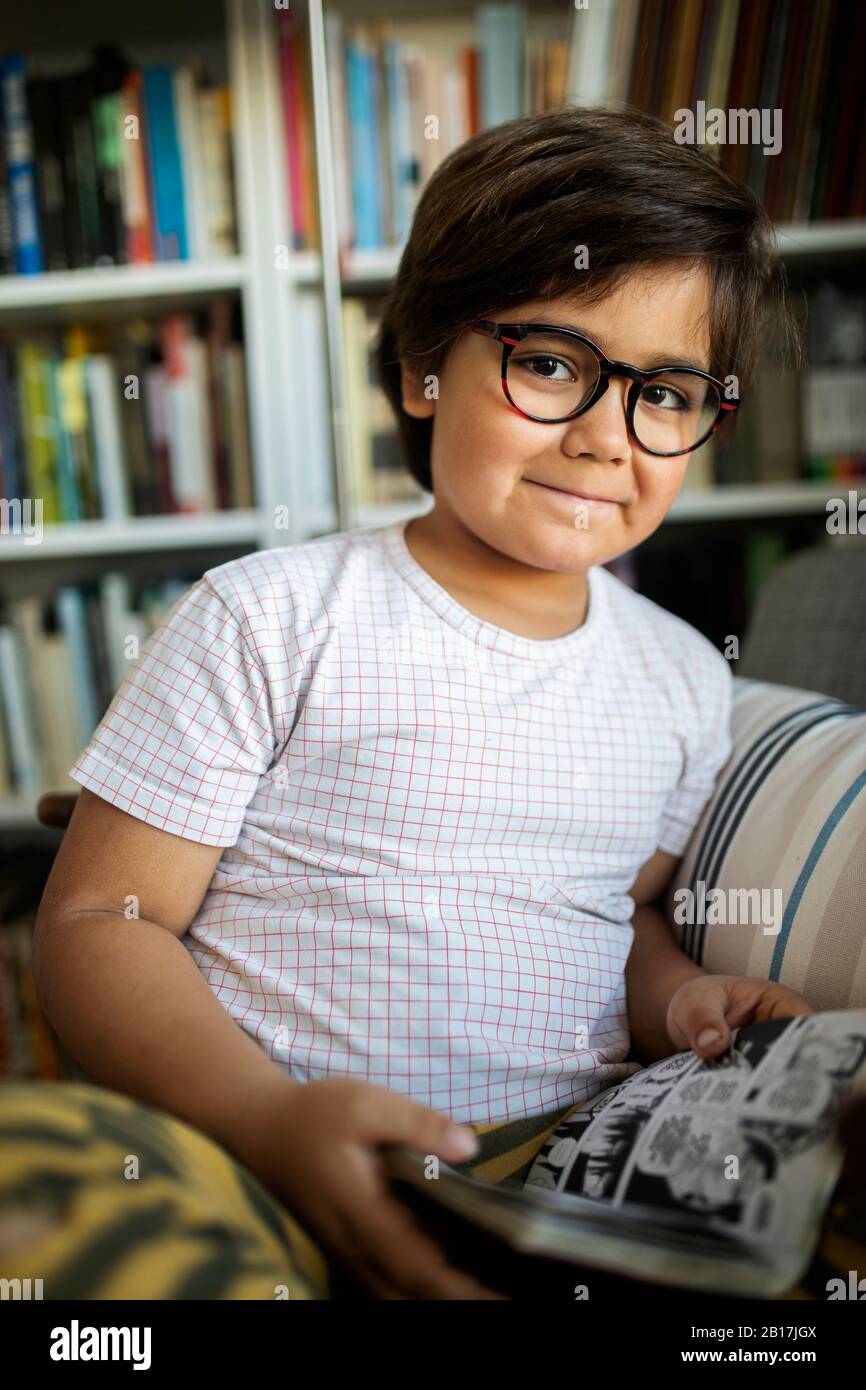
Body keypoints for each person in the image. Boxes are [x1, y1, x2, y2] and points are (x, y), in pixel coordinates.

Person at [32, 106, 826, 1301]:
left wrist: (680, 1001)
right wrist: (268, 1120)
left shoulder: (678, 675)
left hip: (542, 1174)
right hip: (254, 1137)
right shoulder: (269, 617)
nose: (608, 436)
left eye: (665, 392)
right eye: (551, 364)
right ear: (420, 367)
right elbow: (99, 922)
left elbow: (617, 915)